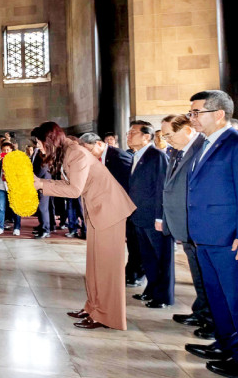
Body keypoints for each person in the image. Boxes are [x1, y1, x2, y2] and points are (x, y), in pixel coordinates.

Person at [33, 122, 137, 330]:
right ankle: (93, 308)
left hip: (109, 210)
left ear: (50, 140)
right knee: (95, 265)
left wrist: (41, 184)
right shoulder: (68, 151)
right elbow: (72, 185)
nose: (38, 147)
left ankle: (109, 317)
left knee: (107, 268)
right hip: (98, 210)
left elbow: (73, 190)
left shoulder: (76, 154)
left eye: (39, 142)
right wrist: (40, 183)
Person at [184, 90, 238, 378]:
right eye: (191, 112)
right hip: (206, 236)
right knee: (217, 297)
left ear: (219, 114)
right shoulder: (203, 143)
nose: (192, 118)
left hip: (230, 238)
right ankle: (227, 344)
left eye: (197, 112)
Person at [159, 115, 215, 339]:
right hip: (185, 225)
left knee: (209, 278)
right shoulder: (176, 151)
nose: (167, 140)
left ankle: (213, 321)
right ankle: (201, 312)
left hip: (199, 225)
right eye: (164, 136)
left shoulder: (202, 149)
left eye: (169, 135)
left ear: (188, 130)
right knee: (198, 275)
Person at [78, 132, 141, 279]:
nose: (88, 155)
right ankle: (119, 272)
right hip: (109, 206)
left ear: (99, 144)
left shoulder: (118, 156)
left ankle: (135, 274)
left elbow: (129, 184)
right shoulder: (99, 157)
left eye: (89, 150)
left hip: (125, 206)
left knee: (134, 243)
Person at [126, 120, 172, 309]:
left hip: (154, 217)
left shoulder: (157, 156)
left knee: (161, 258)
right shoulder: (136, 155)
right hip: (139, 216)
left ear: (146, 137)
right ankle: (151, 290)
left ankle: (163, 297)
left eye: (133, 132)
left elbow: (162, 188)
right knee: (148, 258)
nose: (128, 135)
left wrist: (159, 217)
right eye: (128, 132)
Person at [0, 141, 21, 236]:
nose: (6, 151)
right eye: (4, 150)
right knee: (1, 208)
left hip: (13, 187)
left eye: (8, 150)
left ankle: (17, 227)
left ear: (11, 150)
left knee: (15, 208)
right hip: (0, 187)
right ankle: (0, 227)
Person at [30, 130, 53, 239]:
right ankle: (41, 226)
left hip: (43, 183)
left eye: (38, 141)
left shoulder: (45, 152)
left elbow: (44, 169)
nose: (36, 142)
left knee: (43, 207)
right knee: (39, 207)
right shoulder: (36, 151)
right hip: (37, 182)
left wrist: (36, 179)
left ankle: (46, 230)